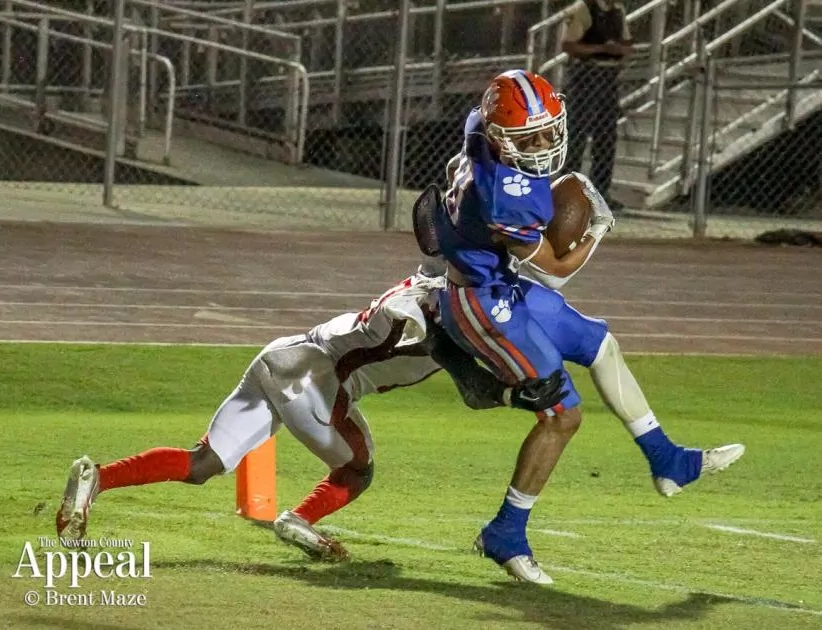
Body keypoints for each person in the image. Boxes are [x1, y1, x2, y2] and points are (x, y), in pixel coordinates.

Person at [434, 69, 745, 585]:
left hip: (499, 283)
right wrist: (597, 228)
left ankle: (667, 459)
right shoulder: (506, 195)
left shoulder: (479, 130)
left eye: (545, 132)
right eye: (527, 139)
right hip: (482, 304)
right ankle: (506, 532)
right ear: (499, 137)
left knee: (601, 344)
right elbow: (556, 271)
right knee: (562, 416)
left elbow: (470, 141)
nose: (541, 146)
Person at [54, 262, 567, 560]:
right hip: (316, 382)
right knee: (358, 471)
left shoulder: (430, 297)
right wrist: (514, 390)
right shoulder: (427, 307)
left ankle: (97, 478)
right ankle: (298, 518)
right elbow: (461, 371)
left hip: (280, 355)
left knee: (203, 463)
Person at [561, 0, 634, 212]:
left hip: (609, 75)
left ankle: (600, 191)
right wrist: (602, 48)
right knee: (577, 134)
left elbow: (627, 43)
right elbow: (569, 45)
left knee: (606, 136)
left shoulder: (618, 10)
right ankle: (568, 191)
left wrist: (619, 49)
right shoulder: (583, 8)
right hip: (586, 75)